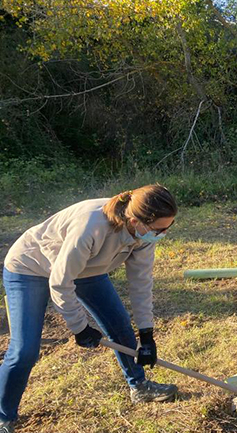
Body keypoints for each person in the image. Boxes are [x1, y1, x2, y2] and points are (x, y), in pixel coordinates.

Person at [1, 185, 180, 433]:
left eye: (167, 228)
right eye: (159, 229)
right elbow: (60, 282)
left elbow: (141, 283)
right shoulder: (91, 226)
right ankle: (4, 416)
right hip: (30, 267)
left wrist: (146, 334)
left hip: (88, 269)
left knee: (119, 327)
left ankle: (139, 387)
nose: (162, 234)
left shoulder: (144, 236)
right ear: (134, 220)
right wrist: (80, 328)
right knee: (25, 351)